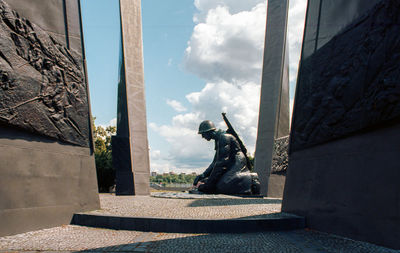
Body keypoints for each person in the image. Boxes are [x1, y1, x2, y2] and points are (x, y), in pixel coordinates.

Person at [192, 120, 260, 195]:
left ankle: (251, 178)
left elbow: (222, 163)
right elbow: (215, 162)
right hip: (230, 162)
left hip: (237, 161)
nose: (202, 137)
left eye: (203, 134)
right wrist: (202, 175)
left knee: (222, 186)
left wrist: (209, 184)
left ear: (209, 132)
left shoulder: (224, 137)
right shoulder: (218, 139)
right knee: (209, 182)